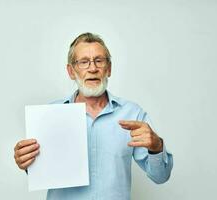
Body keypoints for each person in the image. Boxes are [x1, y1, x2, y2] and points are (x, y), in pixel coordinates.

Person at [14, 32, 173, 200]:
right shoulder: (50, 114)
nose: (92, 68)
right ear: (71, 71)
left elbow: (161, 177)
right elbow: (40, 167)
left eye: (99, 60)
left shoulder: (133, 114)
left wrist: (156, 147)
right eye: (83, 62)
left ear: (109, 69)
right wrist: (26, 162)